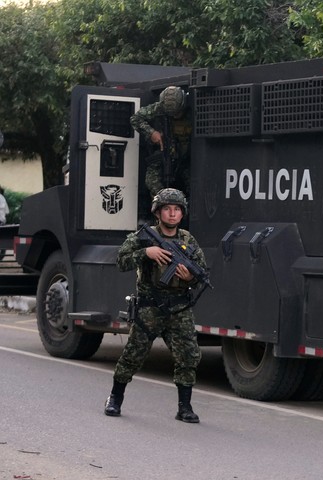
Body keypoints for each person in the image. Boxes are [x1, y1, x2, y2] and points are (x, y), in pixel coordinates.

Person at [104, 188, 206, 423]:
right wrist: (145, 253)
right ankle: (114, 399)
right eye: (167, 209)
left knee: (189, 357)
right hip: (150, 307)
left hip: (179, 308)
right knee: (134, 355)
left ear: (182, 214)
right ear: (158, 213)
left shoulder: (188, 241)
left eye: (177, 209)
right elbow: (120, 261)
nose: (172, 214)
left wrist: (189, 277)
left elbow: (201, 272)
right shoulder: (144, 236)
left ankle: (185, 407)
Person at [130, 86, 192, 196]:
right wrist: (152, 133)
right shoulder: (161, 107)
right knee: (152, 181)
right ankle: (163, 205)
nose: (175, 116)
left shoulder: (192, 109)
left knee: (193, 183)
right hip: (167, 152)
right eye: (171, 115)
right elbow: (135, 119)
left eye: (177, 113)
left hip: (188, 157)